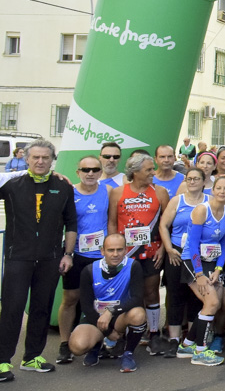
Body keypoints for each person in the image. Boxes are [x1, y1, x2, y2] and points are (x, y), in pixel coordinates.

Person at [0, 140, 77, 381]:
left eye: (45, 158)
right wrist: (21, 172)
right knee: (12, 310)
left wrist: (68, 254)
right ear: (26, 159)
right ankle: (3, 361)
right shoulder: (12, 185)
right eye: (36, 158)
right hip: (18, 258)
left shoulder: (63, 186)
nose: (40, 162)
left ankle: (32, 356)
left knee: (41, 309)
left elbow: (71, 223)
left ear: (52, 159)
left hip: (51, 258)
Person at [107, 154, 170, 353]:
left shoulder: (160, 192)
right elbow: (112, 223)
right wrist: (113, 249)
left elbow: (165, 223)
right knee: (124, 293)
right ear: (135, 172)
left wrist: (162, 247)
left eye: (153, 169)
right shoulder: (118, 193)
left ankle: (153, 334)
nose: (153, 173)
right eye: (149, 170)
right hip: (126, 253)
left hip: (152, 252)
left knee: (151, 292)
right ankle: (121, 335)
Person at [57, 155, 111, 365]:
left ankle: (101, 341)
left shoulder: (107, 191)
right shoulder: (69, 192)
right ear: (77, 171)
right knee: (70, 299)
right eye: (85, 170)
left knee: (103, 301)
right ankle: (64, 343)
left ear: (100, 172)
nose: (90, 173)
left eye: (95, 169)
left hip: (101, 256)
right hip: (76, 255)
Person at [68, 233, 147, 372]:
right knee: (77, 346)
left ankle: (128, 353)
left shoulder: (134, 266)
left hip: (120, 316)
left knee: (139, 314)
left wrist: (111, 311)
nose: (115, 254)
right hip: (97, 318)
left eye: (119, 249)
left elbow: (137, 298)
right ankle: (96, 345)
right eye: (111, 250)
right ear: (102, 251)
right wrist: (108, 331)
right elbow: (86, 306)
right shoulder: (89, 270)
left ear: (126, 250)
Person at [176, 174, 225, 366]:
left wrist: (218, 269)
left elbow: (223, 245)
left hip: (213, 262)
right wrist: (199, 274)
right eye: (219, 188)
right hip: (193, 261)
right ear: (213, 189)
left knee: (213, 305)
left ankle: (187, 345)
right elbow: (192, 244)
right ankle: (200, 352)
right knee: (212, 302)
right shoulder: (202, 210)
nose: (223, 192)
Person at [157, 167, 207, 354]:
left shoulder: (209, 201)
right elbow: (163, 225)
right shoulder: (177, 201)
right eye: (189, 179)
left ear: (204, 182)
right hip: (177, 253)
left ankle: (191, 338)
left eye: (196, 179)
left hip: (199, 254)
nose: (192, 182)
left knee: (196, 297)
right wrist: (169, 248)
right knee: (175, 295)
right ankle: (174, 339)